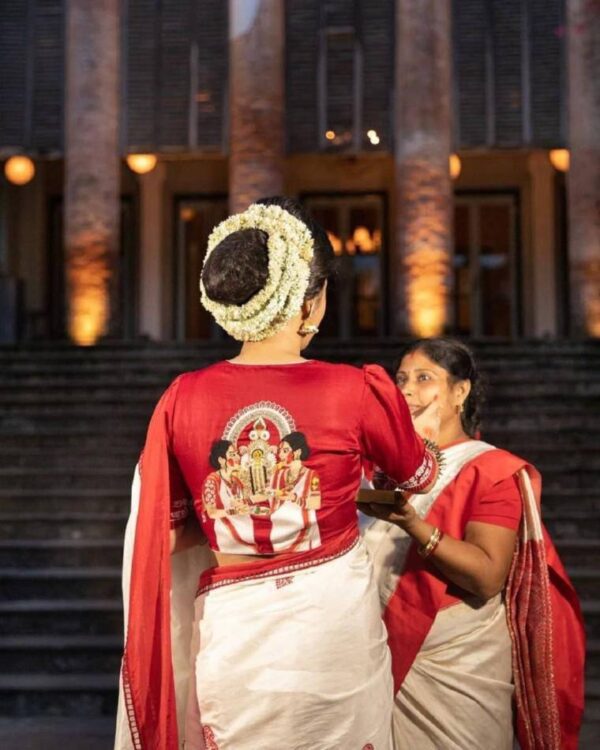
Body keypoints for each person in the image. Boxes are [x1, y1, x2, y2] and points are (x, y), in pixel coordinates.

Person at [114, 197, 441, 750]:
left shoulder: (181, 400)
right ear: (309, 303)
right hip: (331, 634)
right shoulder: (356, 391)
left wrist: (235, 516)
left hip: (236, 638)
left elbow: (165, 535)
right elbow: (420, 475)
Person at [358, 338, 585, 750]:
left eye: (424, 378)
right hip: (375, 661)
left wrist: (413, 523)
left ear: (460, 391)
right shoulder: (376, 470)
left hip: (455, 670)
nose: (407, 390)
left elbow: (486, 576)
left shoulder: (491, 468)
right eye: (402, 379)